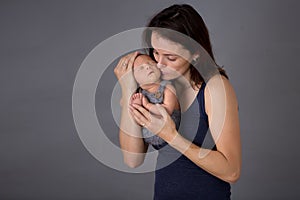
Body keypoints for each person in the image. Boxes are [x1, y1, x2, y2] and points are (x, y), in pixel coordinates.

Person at [114, 4, 241, 200]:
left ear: (196, 54)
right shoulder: (156, 86)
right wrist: (128, 88)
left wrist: (172, 136)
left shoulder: (215, 88)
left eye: (170, 57)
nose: (159, 64)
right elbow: (132, 159)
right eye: (155, 53)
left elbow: (231, 171)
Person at [130, 54, 181, 149]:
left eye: (151, 63)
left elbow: (167, 111)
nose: (148, 67)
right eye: (141, 68)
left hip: (169, 131)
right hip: (148, 133)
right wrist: (137, 107)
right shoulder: (140, 94)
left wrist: (147, 105)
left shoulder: (167, 88)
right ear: (134, 79)